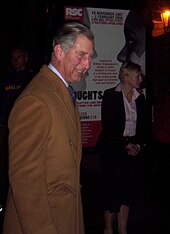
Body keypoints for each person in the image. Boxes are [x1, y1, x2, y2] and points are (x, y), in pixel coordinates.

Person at [3, 21, 95, 234]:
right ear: (59, 51)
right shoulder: (37, 100)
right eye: (81, 55)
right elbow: (25, 182)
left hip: (62, 216)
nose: (87, 64)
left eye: (90, 57)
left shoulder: (58, 90)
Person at [96, 62, 147, 234]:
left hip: (132, 150)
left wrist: (138, 145)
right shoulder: (110, 95)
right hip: (113, 150)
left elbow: (144, 128)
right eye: (137, 75)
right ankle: (108, 228)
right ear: (126, 76)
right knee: (112, 191)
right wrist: (124, 144)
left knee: (128, 191)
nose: (140, 79)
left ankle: (123, 228)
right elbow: (108, 126)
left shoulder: (140, 98)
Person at [0, 46, 34, 230]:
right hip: (5, 131)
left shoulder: (32, 78)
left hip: (26, 134)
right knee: (6, 168)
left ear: (26, 58)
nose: (15, 60)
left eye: (18, 57)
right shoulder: (5, 79)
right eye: (12, 58)